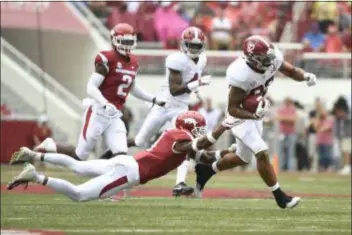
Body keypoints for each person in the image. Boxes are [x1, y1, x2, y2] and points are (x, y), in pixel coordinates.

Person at [195, 35, 317, 209]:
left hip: (255, 113)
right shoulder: (240, 73)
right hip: (240, 117)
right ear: (251, 59)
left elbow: (290, 71)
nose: (269, 61)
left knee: (242, 158)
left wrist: (305, 75)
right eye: (263, 58)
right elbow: (232, 109)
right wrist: (254, 116)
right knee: (262, 152)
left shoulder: (271, 58)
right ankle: (280, 197)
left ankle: (206, 169)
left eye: (269, 56)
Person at [8, 112, 231, 203]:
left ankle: (35, 155)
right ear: (189, 128)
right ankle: (35, 176)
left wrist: (227, 154)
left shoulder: (180, 140)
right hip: (129, 172)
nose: (202, 132)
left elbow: (203, 155)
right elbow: (200, 144)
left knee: (78, 166)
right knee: (79, 195)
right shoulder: (181, 139)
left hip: (127, 162)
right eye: (199, 128)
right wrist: (222, 127)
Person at [34, 23, 165, 161]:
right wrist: (105, 103)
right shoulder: (106, 58)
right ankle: (50, 145)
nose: (126, 45)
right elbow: (91, 87)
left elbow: (131, 87)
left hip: (114, 115)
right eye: (123, 41)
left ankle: (106, 179)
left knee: (120, 154)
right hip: (98, 111)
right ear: (114, 40)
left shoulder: (133, 61)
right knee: (80, 156)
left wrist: (153, 99)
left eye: (129, 42)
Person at [128, 26, 210, 197]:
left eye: (197, 46)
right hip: (163, 105)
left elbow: (192, 78)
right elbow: (175, 90)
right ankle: (112, 154)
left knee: (185, 144)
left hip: (180, 110)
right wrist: (198, 84)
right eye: (191, 46)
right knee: (141, 141)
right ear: (184, 44)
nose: (194, 50)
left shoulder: (202, 59)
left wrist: (197, 92)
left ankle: (180, 183)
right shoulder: (176, 59)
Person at [276, 97, 298, 171]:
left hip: (291, 133)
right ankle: (281, 168)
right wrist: (288, 118)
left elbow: (294, 119)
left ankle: (290, 169)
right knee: (281, 151)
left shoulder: (293, 109)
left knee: (291, 152)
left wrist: (284, 118)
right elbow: (278, 118)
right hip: (282, 133)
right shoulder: (281, 108)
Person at [315, 106, 334, 172]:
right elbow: (315, 127)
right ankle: (322, 168)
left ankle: (329, 168)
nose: (322, 113)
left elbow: (327, 128)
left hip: (327, 141)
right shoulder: (319, 120)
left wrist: (320, 129)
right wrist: (318, 117)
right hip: (320, 141)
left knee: (327, 155)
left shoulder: (330, 119)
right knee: (321, 156)